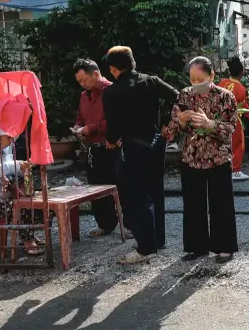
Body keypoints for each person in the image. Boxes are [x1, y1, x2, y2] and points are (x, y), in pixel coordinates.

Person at [102, 46, 178, 265]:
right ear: (133, 62)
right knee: (156, 191)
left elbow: (113, 124)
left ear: (113, 69)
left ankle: (146, 247)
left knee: (137, 196)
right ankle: (158, 239)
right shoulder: (151, 81)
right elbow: (177, 96)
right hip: (156, 141)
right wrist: (165, 121)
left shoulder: (112, 92)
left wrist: (110, 141)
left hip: (133, 146)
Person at [166, 57, 239, 263]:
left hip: (218, 158)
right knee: (193, 205)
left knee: (221, 204)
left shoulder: (226, 97)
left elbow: (230, 130)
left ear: (212, 76)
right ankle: (196, 247)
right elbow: (170, 130)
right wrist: (180, 121)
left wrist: (209, 124)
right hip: (192, 157)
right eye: (192, 79)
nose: (196, 83)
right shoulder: (184, 95)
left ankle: (224, 247)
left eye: (201, 79)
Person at [72, 58, 124, 238]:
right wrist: (79, 128)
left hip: (111, 146)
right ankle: (105, 224)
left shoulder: (111, 90)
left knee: (119, 187)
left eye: (84, 80)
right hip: (92, 148)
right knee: (95, 189)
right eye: (79, 82)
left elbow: (115, 120)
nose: (82, 84)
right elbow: (80, 118)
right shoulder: (83, 96)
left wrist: (92, 128)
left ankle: (128, 225)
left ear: (95, 74)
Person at [0, 120, 44, 256]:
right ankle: (28, 239)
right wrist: (11, 166)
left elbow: (10, 168)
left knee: (38, 202)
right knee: (19, 206)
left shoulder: (5, 148)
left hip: (5, 194)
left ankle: (29, 232)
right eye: (8, 137)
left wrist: (22, 169)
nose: (11, 141)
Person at [217, 57, 249, 182]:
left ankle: (223, 168)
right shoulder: (241, 89)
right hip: (234, 119)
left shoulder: (221, 82)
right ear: (241, 72)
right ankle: (235, 170)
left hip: (218, 118)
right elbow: (244, 106)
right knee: (237, 144)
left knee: (222, 143)